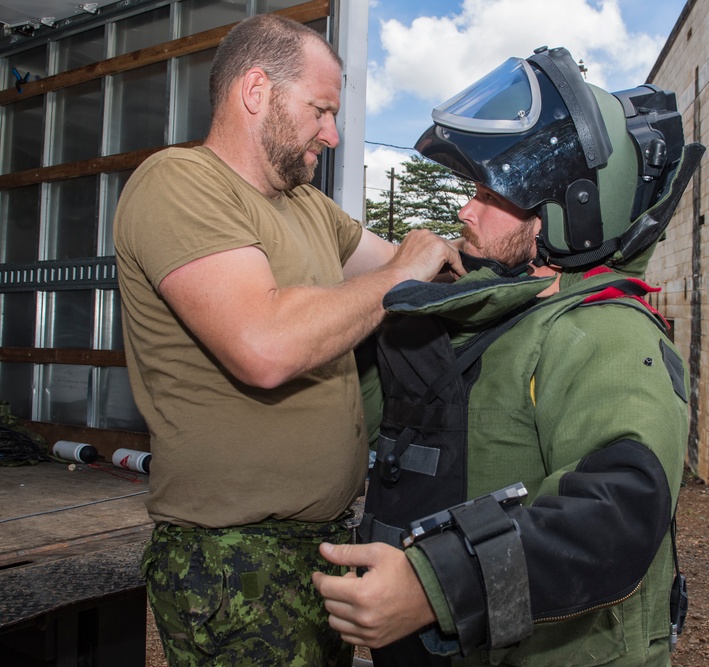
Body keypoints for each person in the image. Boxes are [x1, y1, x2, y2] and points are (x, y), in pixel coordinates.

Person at [312, 46, 705, 666]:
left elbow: (619, 509)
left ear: (566, 209)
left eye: (490, 194)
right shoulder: (485, 317)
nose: (465, 210)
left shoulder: (604, 333)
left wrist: (436, 584)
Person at [113, 13, 463, 666]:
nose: (331, 134)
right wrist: (402, 271)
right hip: (233, 557)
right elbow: (263, 345)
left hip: (321, 543)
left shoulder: (307, 206)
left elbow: (418, 275)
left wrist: (490, 260)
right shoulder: (178, 184)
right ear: (256, 91)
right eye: (320, 110)